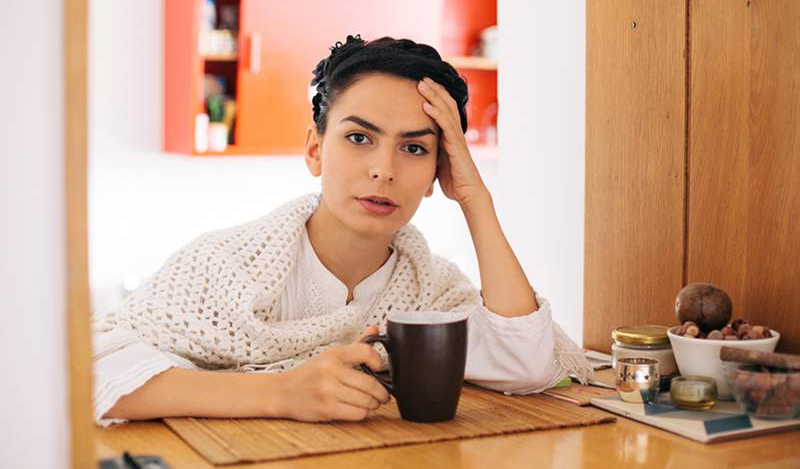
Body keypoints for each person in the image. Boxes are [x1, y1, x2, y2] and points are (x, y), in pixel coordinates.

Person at [92, 34, 592, 426]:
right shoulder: (222, 265)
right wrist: (281, 393)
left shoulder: (431, 291)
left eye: (415, 148)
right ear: (315, 149)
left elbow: (526, 361)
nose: (384, 170)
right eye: (359, 137)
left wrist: (476, 200)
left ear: (439, 170)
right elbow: (91, 371)